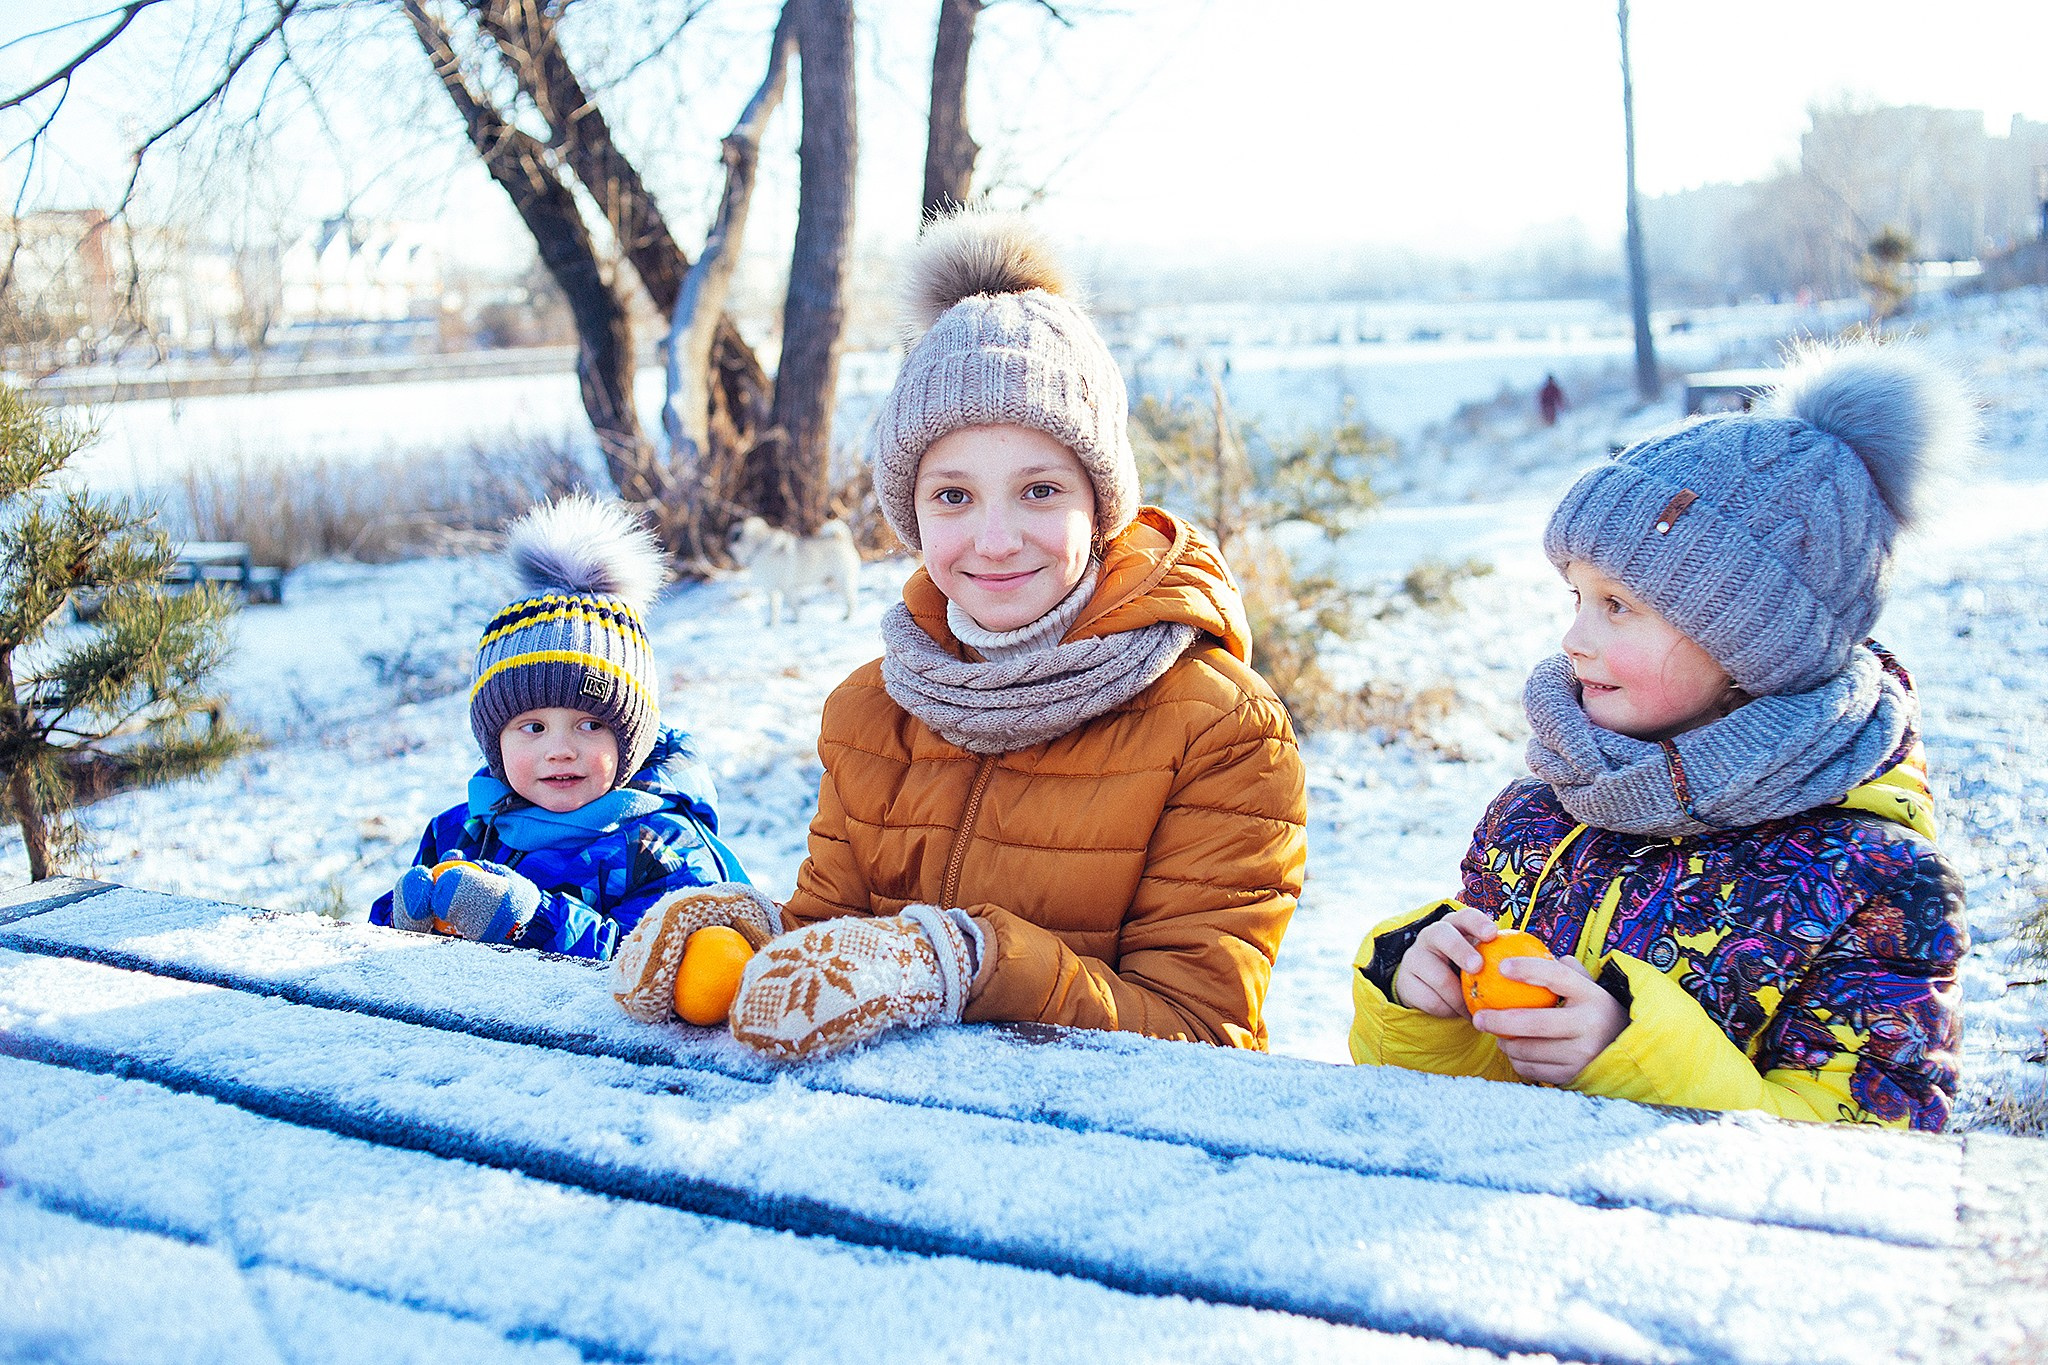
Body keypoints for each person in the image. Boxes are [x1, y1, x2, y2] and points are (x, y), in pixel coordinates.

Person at [613, 207, 1308, 1059]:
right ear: (911, 512)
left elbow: (1201, 1037)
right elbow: (840, 941)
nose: (995, 539)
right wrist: (750, 944)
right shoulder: (870, 712)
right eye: (953, 495)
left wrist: (971, 962)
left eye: (1040, 490)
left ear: (1103, 505)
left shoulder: (1223, 728)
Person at [1349, 341, 1973, 1130]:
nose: (1573, 639)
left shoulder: (1873, 882)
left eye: (1618, 605)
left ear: (1751, 641)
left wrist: (1631, 1056)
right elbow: (1465, 1109)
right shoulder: (1537, 817)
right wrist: (1425, 1006)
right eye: (1577, 596)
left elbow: (1877, 1154)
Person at [370, 496, 749, 961]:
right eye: (533, 727)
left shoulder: (662, 847)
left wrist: (531, 922)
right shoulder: (459, 833)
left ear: (631, 740)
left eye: (590, 724)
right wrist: (401, 923)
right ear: (494, 742)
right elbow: (390, 966)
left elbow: (661, 968)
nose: (560, 750)